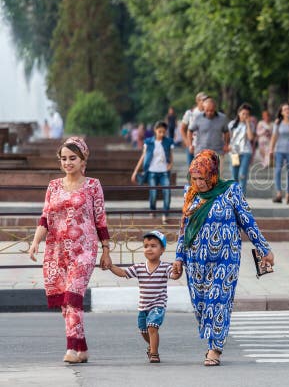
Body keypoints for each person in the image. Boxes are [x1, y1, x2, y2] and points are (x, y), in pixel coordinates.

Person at [171, 150, 275, 366]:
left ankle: (215, 349)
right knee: (201, 305)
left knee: (218, 301)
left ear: (213, 175)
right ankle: (211, 340)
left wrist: (264, 249)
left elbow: (247, 221)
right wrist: (178, 257)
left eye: (202, 178)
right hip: (195, 260)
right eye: (195, 178)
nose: (198, 183)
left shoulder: (231, 190)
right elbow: (184, 227)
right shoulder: (189, 194)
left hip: (225, 258)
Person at [28, 137, 112, 363]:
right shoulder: (54, 185)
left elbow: (100, 219)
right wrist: (36, 242)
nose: (67, 162)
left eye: (72, 158)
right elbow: (45, 217)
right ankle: (82, 349)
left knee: (73, 297)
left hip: (84, 249)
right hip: (57, 251)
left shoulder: (93, 185)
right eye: (63, 158)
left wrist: (106, 250)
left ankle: (72, 349)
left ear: (83, 159)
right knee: (66, 302)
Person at [106, 231, 177, 363]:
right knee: (144, 330)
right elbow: (123, 273)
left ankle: (154, 354)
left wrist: (178, 269)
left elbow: (174, 275)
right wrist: (110, 266)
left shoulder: (165, 267)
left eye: (153, 246)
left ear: (162, 250)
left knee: (152, 327)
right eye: (146, 246)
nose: (149, 249)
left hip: (157, 305)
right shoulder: (139, 267)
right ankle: (151, 346)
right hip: (143, 306)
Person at [131, 121, 173, 225]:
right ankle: (153, 210)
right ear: (155, 130)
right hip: (152, 172)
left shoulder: (168, 142)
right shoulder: (149, 142)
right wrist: (135, 171)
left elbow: (171, 157)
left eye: (164, 132)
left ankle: (165, 214)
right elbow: (143, 157)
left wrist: (170, 165)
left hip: (164, 172)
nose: (162, 134)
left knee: (167, 192)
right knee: (153, 193)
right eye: (160, 132)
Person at [270, 103, 289, 204]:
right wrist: (271, 149)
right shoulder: (277, 123)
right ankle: (279, 194)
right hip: (279, 150)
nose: (287, 110)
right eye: (284, 109)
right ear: (281, 112)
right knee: (277, 171)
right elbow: (274, 136)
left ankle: (288, 196)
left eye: (288, 109)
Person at [228, 103, 255, 196]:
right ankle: (234, 197)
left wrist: (247, 123)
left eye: (247, 114)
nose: (245, 116)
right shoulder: (232, 124)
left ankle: (241, 198)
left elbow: (251, 138)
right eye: (243, 113)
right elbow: (228, 138)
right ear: (239, 113)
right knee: (235, 175)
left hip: (246, 152)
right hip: (234, 153)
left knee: (242, 175)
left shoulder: (250, 124)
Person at [180, 92, 207, 166]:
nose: (205, 102)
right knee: (192, 169)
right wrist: (187, 142)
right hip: (192, 145)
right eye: (203, 100)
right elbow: (182, 128)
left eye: (206, 100)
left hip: (204, 146)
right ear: (197, 101)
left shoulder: (209, 114)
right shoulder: (190, 113)